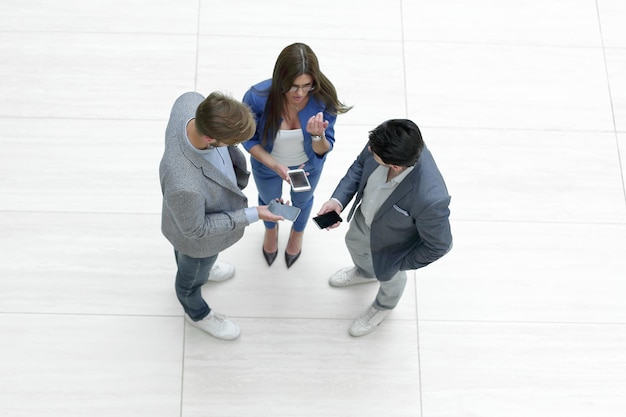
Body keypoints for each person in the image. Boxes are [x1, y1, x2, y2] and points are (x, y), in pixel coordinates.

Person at [159, 91, 284, 341]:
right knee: (190, 280)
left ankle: (204, 268)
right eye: (231, 142)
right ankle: (196, 314)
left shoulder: (190, 101)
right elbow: (196, 230)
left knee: (199, 265)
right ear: (210, 137)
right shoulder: (184, 184)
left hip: (191, 214)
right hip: (197, 241)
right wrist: (253, 214)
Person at [317, 119, 452, 337]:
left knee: (390, 278)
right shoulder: (384, 140)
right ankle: (365, 272)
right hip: (365, 220)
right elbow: (359, 166)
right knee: (354, 244)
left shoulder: (430, 198)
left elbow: (440, 245)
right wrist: (338, 201)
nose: (369, 150)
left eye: (374, 153)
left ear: (395, 165)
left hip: (394, 246)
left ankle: (384, 306)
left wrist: (400, 262)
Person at [242, 42, 351, 268]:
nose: (300, 93)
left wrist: (317, 136)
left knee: (302, 201)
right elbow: (248, 139)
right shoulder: (256, 97)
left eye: (307, 86)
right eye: (293, 86)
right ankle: (271, 231)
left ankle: (297, 232)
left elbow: (324, 148)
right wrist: (275, 166)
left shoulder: (324, 101)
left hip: (307, 168)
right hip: (267, 165)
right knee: (268, 199)